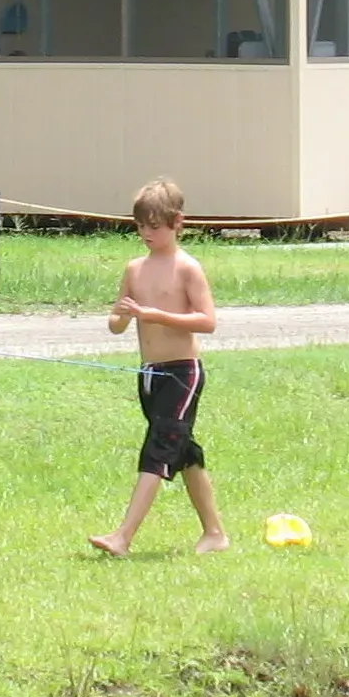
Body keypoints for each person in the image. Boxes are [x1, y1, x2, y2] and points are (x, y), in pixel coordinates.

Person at [89, 179, 230, 558]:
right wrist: (121, 317)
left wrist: (157, 315)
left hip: (182, 374)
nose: (146, 233)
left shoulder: (187, 268)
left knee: (158, 449)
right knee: (183, 451)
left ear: (177, 222)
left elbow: (207, 321)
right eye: (140, 226)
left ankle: (122, 537)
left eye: (154, 226)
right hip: (150, 375)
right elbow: (116, 324)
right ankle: (215, 533)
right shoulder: (135, 269)